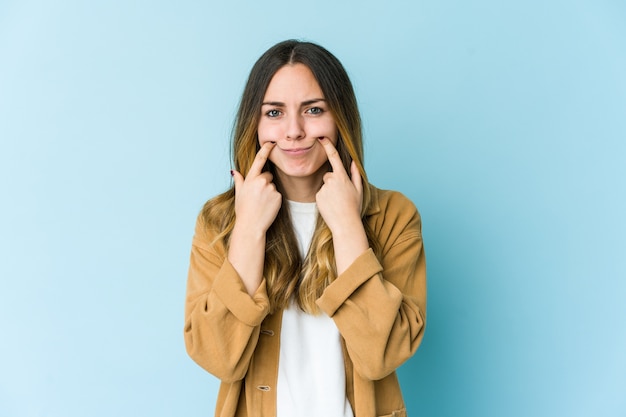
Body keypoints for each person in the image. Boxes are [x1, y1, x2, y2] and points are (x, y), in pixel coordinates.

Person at [184, 39, 427, 417]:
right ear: (255, 122)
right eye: (274, 112)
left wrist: (348, 225)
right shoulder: (219, 221)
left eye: (313, 110)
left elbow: (383, 354)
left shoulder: (393, 215)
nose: (294, 131)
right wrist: (248, 229)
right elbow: (218, 357)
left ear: (339, 117)